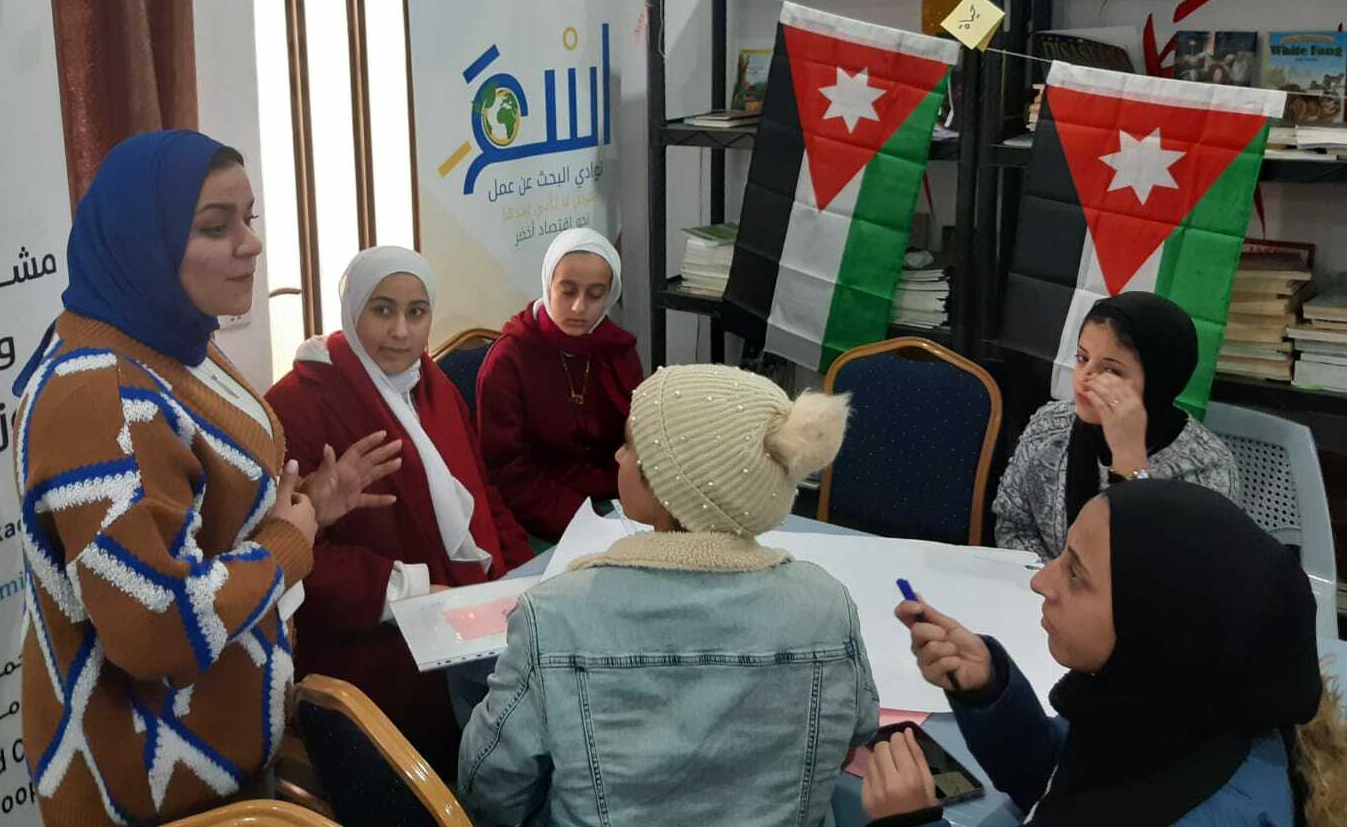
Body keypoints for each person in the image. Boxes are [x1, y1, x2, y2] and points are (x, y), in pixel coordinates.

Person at [13, 131, 398, 826]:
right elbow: (153, 626)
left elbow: (202, 519)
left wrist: (311, 505)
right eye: (216, 227)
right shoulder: (100, 396)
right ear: (141, 240)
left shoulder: (171, 337)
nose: (251, 244)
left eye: (248, 219)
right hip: (151, 794)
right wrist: (287, 544)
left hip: (223, 759)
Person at [459, 364, 876, 827]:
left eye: (631, 445)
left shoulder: (554, 616)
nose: (618, 455)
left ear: (668, 484)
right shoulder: (827, 605)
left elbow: (489, 783)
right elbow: (855, 733)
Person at [862, 480, 1343, 826]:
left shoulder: (1204, 812)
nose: (1041, 581)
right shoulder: (1164, 708)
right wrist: (988, 690)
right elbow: (1061, 776)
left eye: (1075, 574)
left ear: (1151, 623)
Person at [266, 246, 533, 770]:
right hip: (376, 643)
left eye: (417, 312)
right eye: (382, 310)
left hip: (468, 612)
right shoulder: (298, 403)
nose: (401, 332)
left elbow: (482, 495)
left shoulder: (433, 386)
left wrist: (523, 577)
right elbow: (291, 556)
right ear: (352, 310)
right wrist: (411, 591)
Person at [993, 291, 1239, 560]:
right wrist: (1056, 579)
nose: (1085, 378)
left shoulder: (1205, 469)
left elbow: (1168, 573)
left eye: (1111, 370)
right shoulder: (1050, 426)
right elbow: (1013, 524)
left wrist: (1129, 461)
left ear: (1157, 380)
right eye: (1082, 358)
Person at [477, 228, 644, 541]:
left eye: (595, 295)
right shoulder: (509, 361)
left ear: (610, 295)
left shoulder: (616, 349)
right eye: (567, 292)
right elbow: (506, 471)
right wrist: (587, 524)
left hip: (619, 498)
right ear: (548, 285)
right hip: (540, 510)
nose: (579, 307)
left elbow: (641, 438)